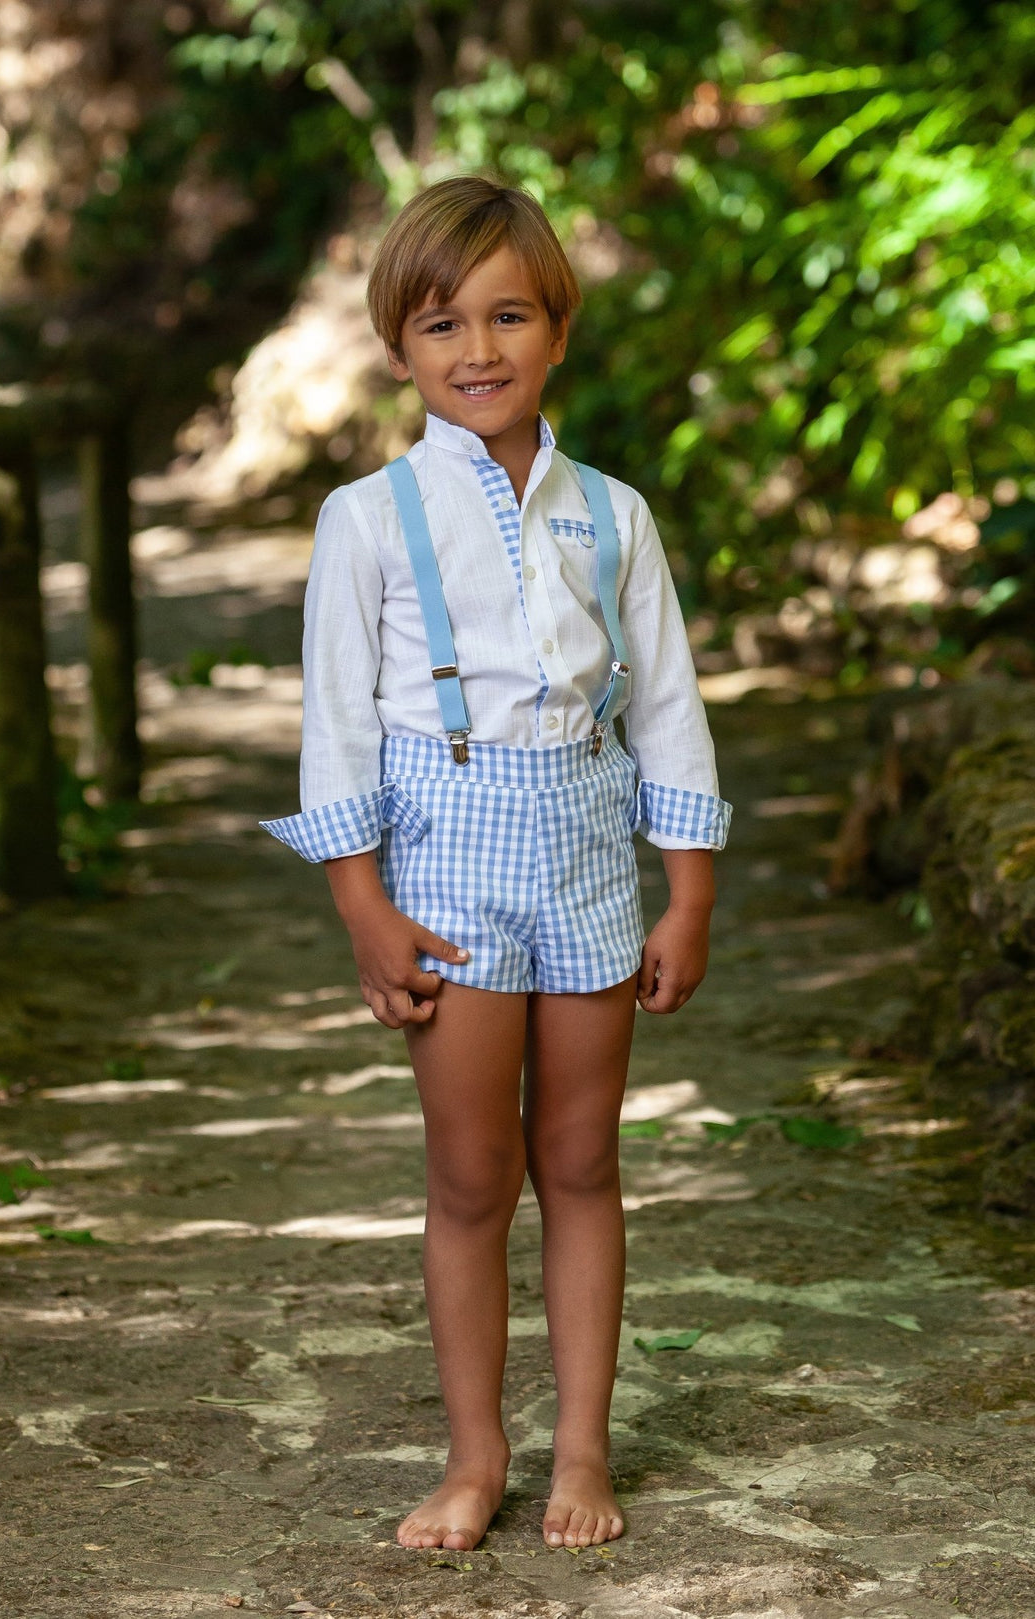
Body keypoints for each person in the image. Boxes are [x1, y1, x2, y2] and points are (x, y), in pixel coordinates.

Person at [262, 175, 731, 1554]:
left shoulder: (613, 515)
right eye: (440, 324)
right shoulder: (366, 519)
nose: (478, 349)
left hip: (590, 853)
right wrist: (363, 907)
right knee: (474, 1174)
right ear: (398, 350)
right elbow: (338, 725)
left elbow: (669, 707)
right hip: (448, 863)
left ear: (559, 331)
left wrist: (688, 887)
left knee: (580, 1159)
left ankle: (584, 1446)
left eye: (509, 315)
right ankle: (478, 1454)